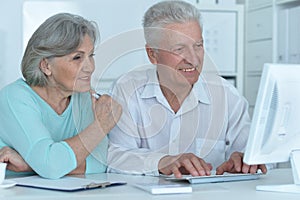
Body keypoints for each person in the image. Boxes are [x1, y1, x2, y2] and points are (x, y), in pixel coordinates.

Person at [107, 0, 267, 177]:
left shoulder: (227, 95)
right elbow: (115, 156)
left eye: (198, 46)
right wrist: (163, 162)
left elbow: (255, 154)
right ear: (152, 54)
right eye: (179, 49)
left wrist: (243, 161)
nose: (194, 59)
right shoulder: (127, 89)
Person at [0, 13, 122, 179]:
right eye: (77, 57)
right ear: (46, 66)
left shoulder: (83, 97)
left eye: (91, 56)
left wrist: (31, 165)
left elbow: (100, 163)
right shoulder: (14, 98)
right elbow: (50, 166)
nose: (90, 67)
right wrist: (101, 126)